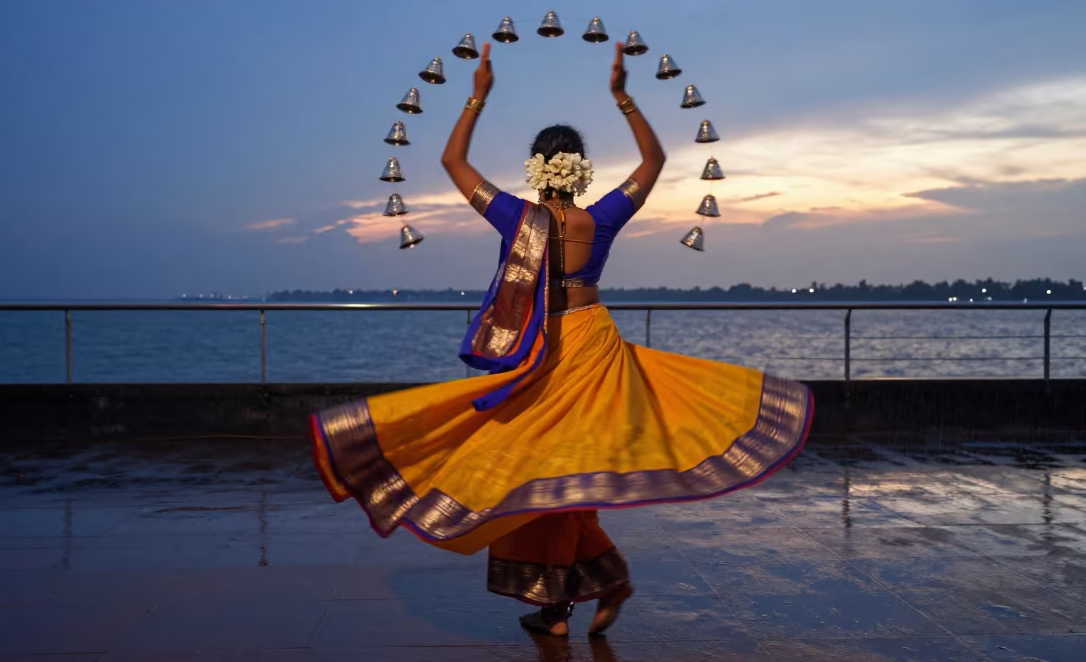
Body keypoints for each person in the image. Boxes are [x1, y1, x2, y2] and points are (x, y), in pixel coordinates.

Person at [309, 41, 814, 638]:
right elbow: (653, 163)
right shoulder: (601, 218)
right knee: (573, 473)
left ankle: (579, 595)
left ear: (536, 168)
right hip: (597, 345)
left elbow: (451, 161)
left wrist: (478, 96)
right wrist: (624, 99)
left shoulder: (514, 216)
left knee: (539, 468)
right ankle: (573, 599)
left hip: (545, 352)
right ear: (579, 169)